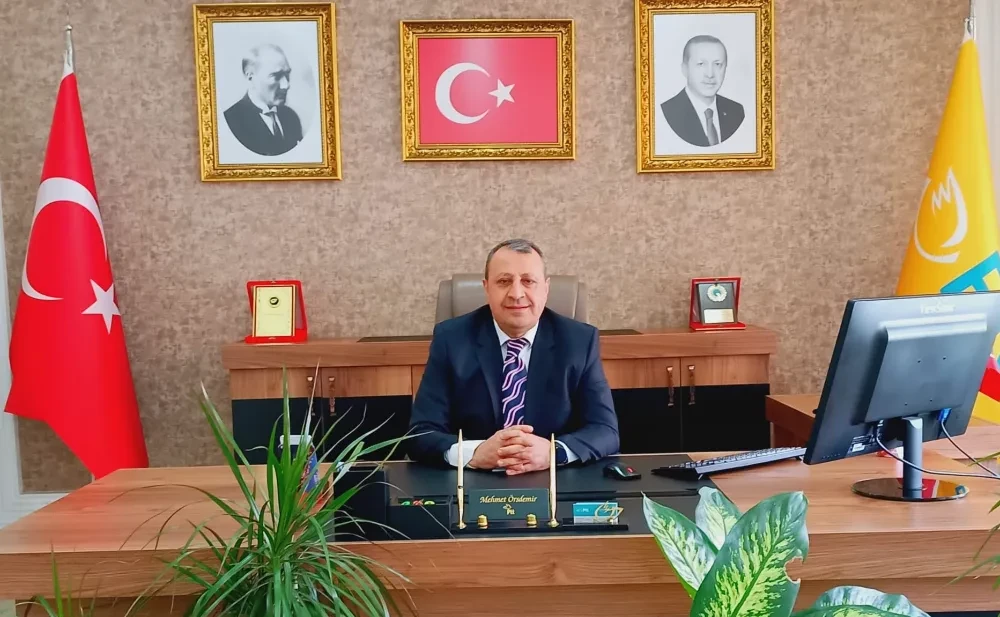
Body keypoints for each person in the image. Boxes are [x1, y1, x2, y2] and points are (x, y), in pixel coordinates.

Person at [407, 239, 619, 475]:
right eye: (504, 281)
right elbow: (420, 434)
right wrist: (474, 453)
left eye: (528, 281)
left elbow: (605, 430)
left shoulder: (579, 341)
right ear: (487, 288)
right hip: (472, 481)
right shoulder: (451, 339)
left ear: (546, 288)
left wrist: (553, 453)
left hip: (553, 480)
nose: (516, 294)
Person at [660, 35, 744, 147]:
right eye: (701, 64)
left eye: (717, 64)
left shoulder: (736, 111)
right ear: (684, 69)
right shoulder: (666, 113)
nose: (710, 74)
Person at [223, 43, 303, 156]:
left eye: (287, 74)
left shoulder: (291, 117)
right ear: (250, 76)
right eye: (276, 76)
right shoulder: (230, 122)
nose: (286, 85)